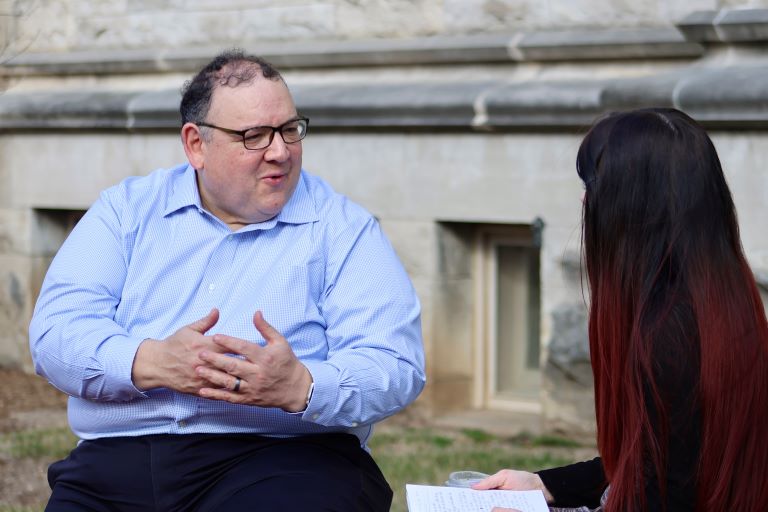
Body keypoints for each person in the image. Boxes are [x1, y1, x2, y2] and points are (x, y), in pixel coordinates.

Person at [29, 48, 425, 512]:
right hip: (121, 461)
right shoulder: (126, 212)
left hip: (285, 461)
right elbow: (55, 335)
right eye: (254, 136)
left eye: (290, 130)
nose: (279, 151)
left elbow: (396, 364)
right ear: (197, 144)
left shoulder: (344, 229)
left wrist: (302, 386)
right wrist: (152, 361)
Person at [473, 107, 768, 511]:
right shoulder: (714, 299)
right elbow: (651, 463)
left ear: (636, 201)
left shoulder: (670, 335)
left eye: (593, 182)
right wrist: (544, 484)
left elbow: (662, 495)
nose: (583, 198)